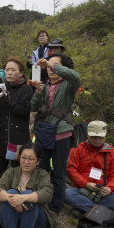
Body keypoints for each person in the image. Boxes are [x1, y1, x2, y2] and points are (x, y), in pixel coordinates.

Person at [31, 53, 80, 213]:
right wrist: (38, 92)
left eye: (54, 66)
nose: (50, 69)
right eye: (48, 66)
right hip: (44, 132)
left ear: (62, 68)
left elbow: (76, 77)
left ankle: (56, 207)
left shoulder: (68, 85)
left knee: (59, 173)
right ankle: (42, 202)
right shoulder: (44, 86)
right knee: (42, 171)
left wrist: (51, 64)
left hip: (62, 134)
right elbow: (33, 106)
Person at [66, 121, 114, 216]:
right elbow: (71, 170)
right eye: (93, 137)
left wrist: (110, 188)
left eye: (100, 137)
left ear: (105, 136)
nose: (96, 139)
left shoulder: (113, 153)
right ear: (87, 135)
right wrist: (86, 184)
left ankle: (85, 209)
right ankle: (104, 212)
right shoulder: (77, 149)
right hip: (82, 191)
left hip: (104, 193)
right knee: (68, 193)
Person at [0, 57, 34, 181]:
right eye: (7, 69)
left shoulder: (26, 89)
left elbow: (23, 110)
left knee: (17, 175)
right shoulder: (1, 87)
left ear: (20, 73)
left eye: (13, 70)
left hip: (16, 140)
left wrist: (3, 98)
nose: (9, 72)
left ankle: (17, 198)